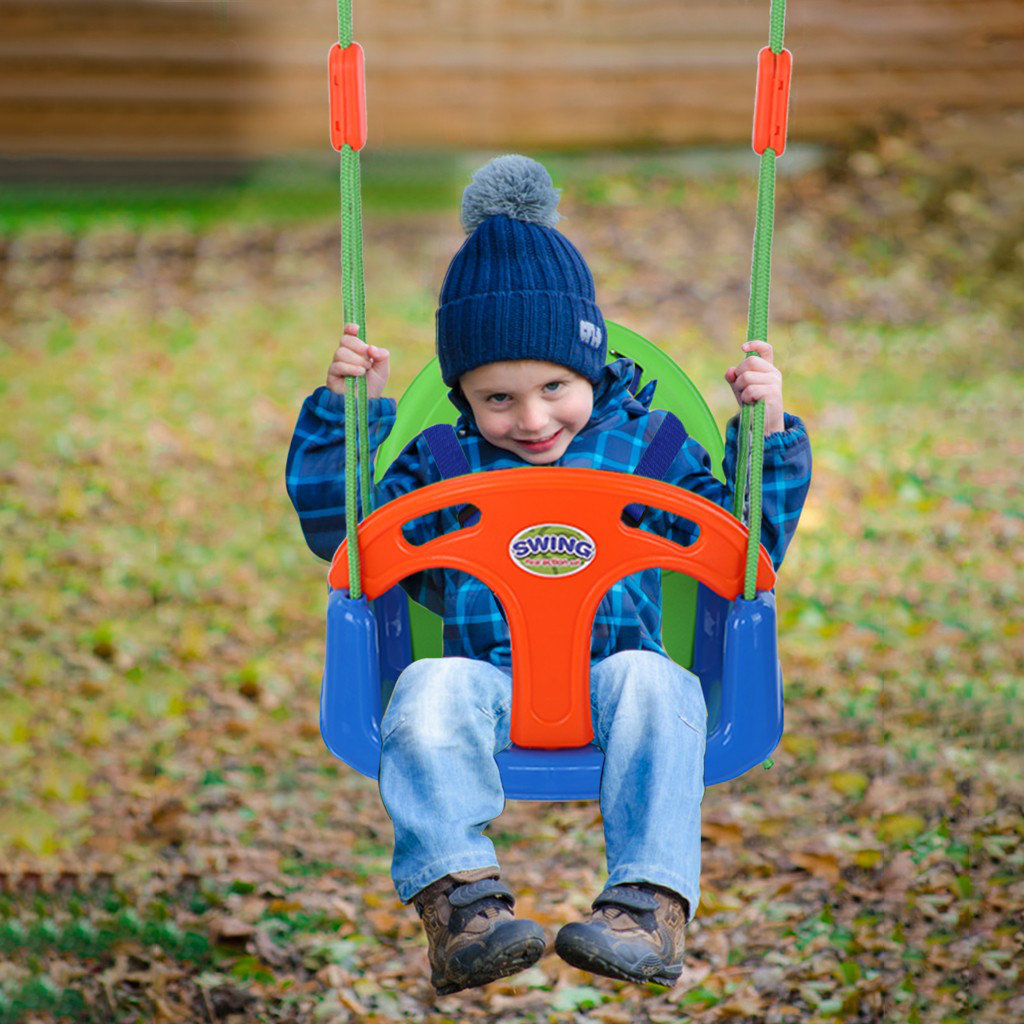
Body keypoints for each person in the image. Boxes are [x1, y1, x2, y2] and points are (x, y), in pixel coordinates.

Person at [286, 155, 812, 995]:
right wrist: (352, 417)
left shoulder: (653, 447)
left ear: (592, 366)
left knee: (657, 683)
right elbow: (346, 545)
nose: (531, 420)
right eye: (497, 398)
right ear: (462, 392)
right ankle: (461, 905)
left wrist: (769, 430)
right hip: (484, 685)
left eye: (554, 388)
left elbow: (747, 550)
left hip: (613, 680)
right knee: (423, 690)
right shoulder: (442, 459)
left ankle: (647, 908)